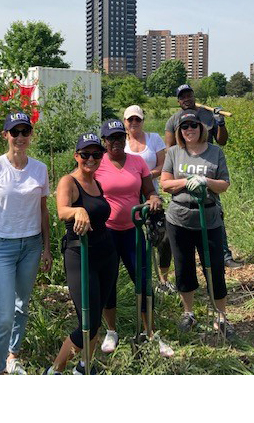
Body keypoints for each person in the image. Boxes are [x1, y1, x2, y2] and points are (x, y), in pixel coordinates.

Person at [0, 112, 52, 375]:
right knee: (5, 314)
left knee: (22, 305)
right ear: (5, 135)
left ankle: (13, 355)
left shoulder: (40, 169)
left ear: (31, 135)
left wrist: (46, 248)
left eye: (25, 132)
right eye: (14, 132)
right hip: (2, 247)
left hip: (31, 245)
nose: (20, 137)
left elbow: (43, 211)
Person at [94, 119, 173, 358]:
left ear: (125, 138)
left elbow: (149, 190)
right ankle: (111, 331)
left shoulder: (137, 162)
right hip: (107, 232)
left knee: (143, 279)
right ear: (104, 141)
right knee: (108, 281)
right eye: (111, 138)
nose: (116, 142)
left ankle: (150, 332)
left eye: (120, 137)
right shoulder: (97, 164)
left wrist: (153, 198)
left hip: (133, 230)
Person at [46, 133, 119, 374]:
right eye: (85, 154)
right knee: (88, 321)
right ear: (76, 156)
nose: (91, 159)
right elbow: (62, 210)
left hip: (106, 254)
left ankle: (84, 366)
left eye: (96, 154)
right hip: (81, 255)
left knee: (96, 316)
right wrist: (78, 211)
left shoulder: (97, 183)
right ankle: (55, 370)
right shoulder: (68, 181)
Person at [160, 112, 235, 339]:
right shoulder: (174, 152)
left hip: (208, 219)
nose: (189, 129)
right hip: (179, 219)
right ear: (179, 131)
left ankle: (221, 316)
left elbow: (224, 184)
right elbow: (165, 184)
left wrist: (206, 181)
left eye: (193, 125)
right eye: (184, 127)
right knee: (184, 267)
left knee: (214, 268)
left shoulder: (215, 152)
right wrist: (185, 182)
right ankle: (189, 313)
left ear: (201, 128)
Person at [164, 84, 241, 268]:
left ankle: (224, 255)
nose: (186, 99)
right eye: (182, 97)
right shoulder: (173, 120)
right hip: (185, 169)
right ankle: (191, 256)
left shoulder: (207, 115)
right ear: (178, 101)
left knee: (215, 212)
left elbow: (222, 141)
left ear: (193, 96)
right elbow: (170, 149)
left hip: (208, 169)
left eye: (189, 95)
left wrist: (220, 123)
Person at [122, 105, 174, 294]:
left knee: (164, 237)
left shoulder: (154, 139)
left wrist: (144, 176)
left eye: (138, 119)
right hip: (129, 197)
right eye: (130, 119)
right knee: (134, 237)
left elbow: (162, 165)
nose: (134, 122)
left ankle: (163, 279)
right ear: (125, 122)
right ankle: (138, 279)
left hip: (151, 194)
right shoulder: (121, 143)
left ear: (143, 121)